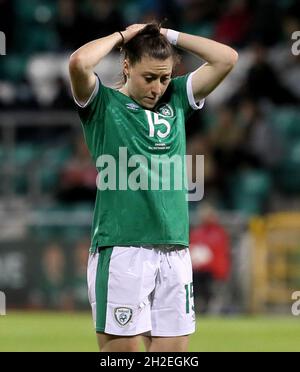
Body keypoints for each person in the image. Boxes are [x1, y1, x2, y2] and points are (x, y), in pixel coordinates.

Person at [68, 22, 238, 352]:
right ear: (127, 65)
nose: (158, 87)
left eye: (164, 78)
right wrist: (123, 36)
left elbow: (226, 58)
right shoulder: (102, 105)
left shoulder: (175, 98)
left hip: (175, 248)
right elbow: (78, 63)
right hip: (123, 248)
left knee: (173, 356)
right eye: (149, 78)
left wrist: (169, 35)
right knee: (123, 356)